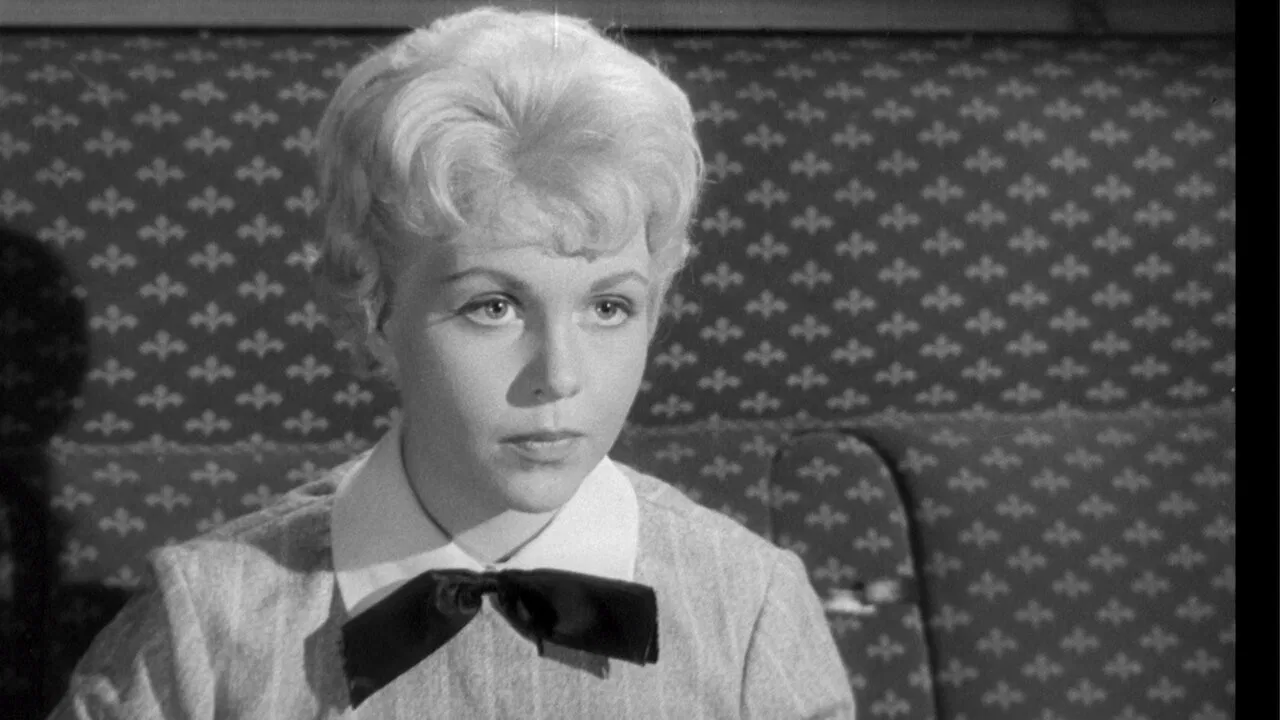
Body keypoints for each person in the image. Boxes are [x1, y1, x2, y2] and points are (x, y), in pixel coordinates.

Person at [50, 7, 856, 718]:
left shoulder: (749, 611)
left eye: (609, 307)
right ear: (375, 308)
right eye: (493, 307)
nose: (560, 376)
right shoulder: (208, 626)